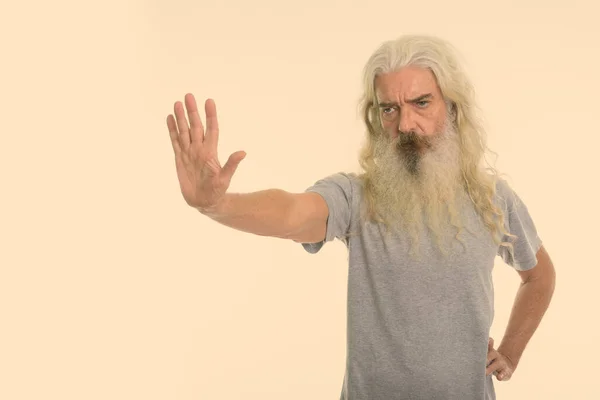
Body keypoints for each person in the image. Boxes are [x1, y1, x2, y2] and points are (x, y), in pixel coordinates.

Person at [166, 34, 556, 400]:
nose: (405, 125)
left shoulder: (493, 199)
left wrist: (511, 350)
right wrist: (217, 204)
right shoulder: (356, 196)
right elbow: (292, 213)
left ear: (452, 107)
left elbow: (539, 275)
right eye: (390, 109)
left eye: (421, 103)